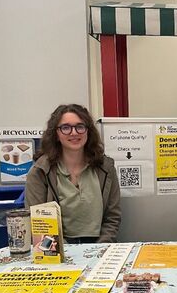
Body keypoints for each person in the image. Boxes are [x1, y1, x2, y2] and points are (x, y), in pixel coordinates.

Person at [25, 104, 121, 243]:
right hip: (58, 249)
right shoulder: (40, 171)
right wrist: (66, 252)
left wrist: (100, 248)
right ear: (56, 134)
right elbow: (38, 223)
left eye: (80, 126)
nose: (74, 133)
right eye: (66, 127)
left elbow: (113, 217)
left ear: (88, 131)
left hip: (100, 247)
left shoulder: (105, 168)